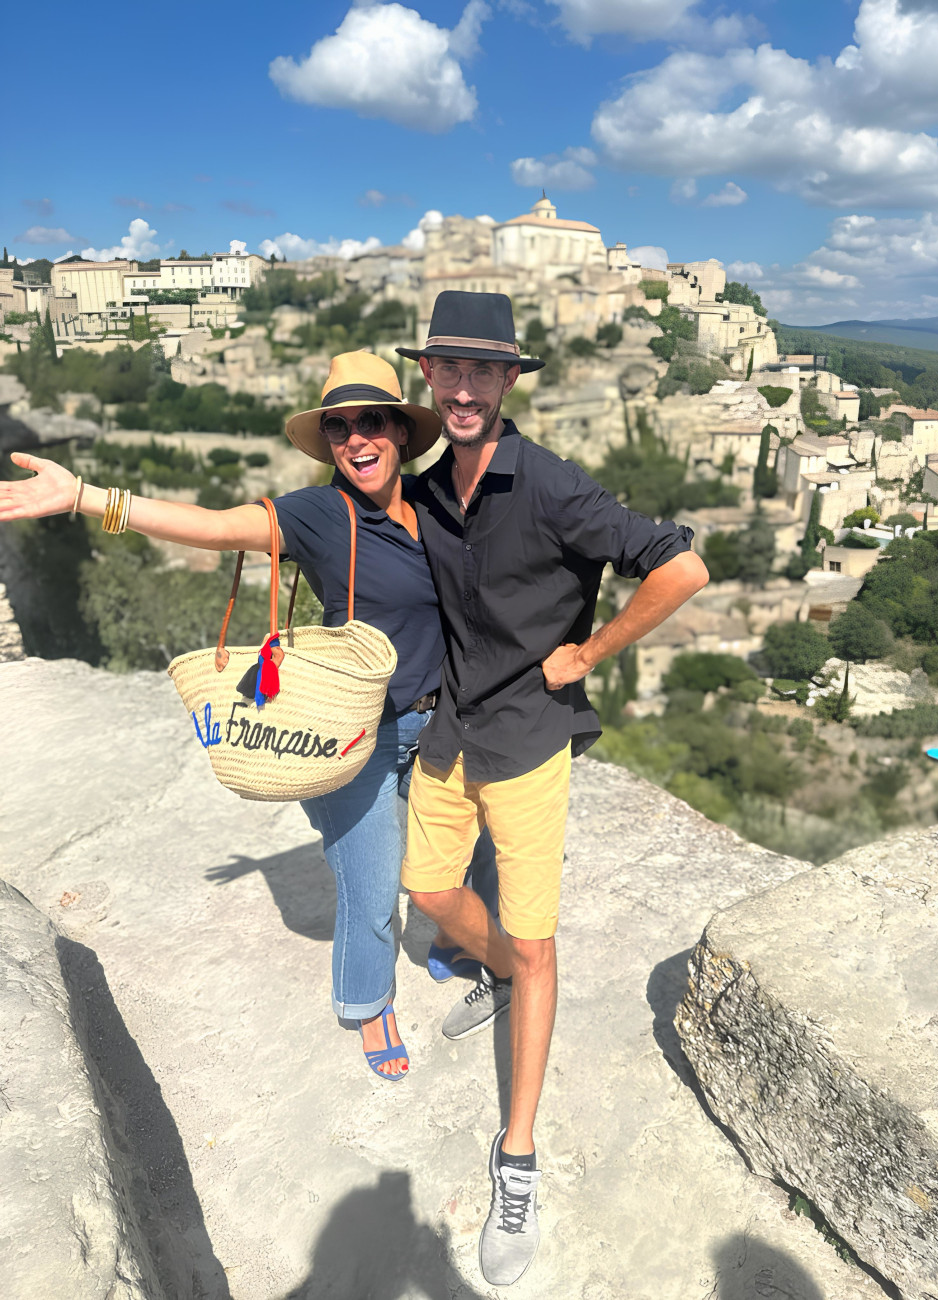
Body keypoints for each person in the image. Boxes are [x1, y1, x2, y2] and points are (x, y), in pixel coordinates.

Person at [0, 351, 495, 1081]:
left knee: (457, 850)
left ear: (400, 428)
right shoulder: (320, 514)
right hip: (352, 731)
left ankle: (464, 942)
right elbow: (211, 526)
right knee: (372, 875)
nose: (355, 439)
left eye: (370, 422)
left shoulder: (436, 502)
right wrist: (86, 497)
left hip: (442, 723)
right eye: (338, 428)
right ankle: (368, 1002)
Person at [394, 291, 710, 1285]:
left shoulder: (552, 487)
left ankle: (518, 1155)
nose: (464, 386)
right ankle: (503, 971)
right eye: (449, 367)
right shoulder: (431, 486)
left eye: (484, 370)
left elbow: (682, 567)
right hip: (453, 730)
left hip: (529, 744)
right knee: (431, 893)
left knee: (535, 939)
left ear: (508, 381)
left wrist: (593, 649)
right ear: (431, 377)